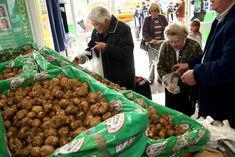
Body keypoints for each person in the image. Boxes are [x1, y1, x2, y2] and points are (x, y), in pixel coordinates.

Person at [178, 0, 235, 127]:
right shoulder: (220, 19)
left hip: (224, 113)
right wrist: (189, 64)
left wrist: (197, 73)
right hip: (212, 105)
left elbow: (229, 67)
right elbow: (210, 54)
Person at [77, 6, 136, 90]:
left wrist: (106, 47)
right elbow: (92, 47)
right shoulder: (96, 31)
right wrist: (83, 57)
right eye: (94, 25)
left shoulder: (123, 29)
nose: (95, 28)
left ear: (106, 21)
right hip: (105, 77)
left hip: (122, 78)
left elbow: (127, 53)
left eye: (97, 25)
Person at [157, 22, 202, 116]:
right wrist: (167, 81)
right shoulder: (165, 46)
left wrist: (186, 69)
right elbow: (160, 66)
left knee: (187, 114)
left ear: (184, 37)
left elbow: (200, 65)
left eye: (177, 41)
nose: (173, 44)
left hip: (188, 89)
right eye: (171, 41)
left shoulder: (194, 46)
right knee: (171, 115)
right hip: (170, 88)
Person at [142, 3, 168, 84]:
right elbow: (144, 32)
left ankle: (160, 78)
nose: (154, 12)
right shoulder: (147, 19)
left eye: (155, 10)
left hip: (162, 43)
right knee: (152, 62)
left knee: (161, 61)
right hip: (152, 45)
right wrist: (151, 39)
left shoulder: (162, 18)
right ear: (150, 11)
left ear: (158, 11)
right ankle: (151, 78)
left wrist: (167, 38)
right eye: (152, 11)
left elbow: (168, 29)